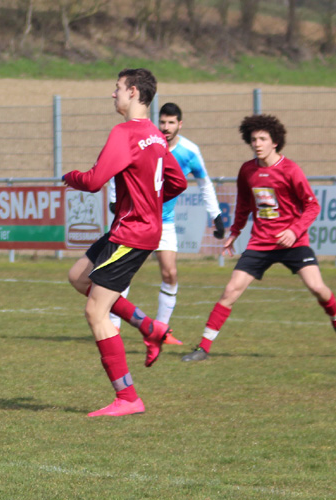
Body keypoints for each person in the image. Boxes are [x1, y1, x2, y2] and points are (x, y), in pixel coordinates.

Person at [63, 68, 187, 417]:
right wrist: (143, 200)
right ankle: (150, 328)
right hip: (133, 227)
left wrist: (68, 176)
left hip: (132, 232)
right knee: (79, 278)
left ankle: (128, 397)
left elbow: (92, 181)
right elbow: (177, 183)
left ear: (133, 92)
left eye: (116, 88)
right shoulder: (154, 135)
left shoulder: (125, 133)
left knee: (95, 312)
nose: (112, 94)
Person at [182, 115, 336, 361]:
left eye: (263, 139)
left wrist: (294, 231)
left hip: (292, 243)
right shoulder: (247, 170)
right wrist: (235, 232)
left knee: (318, 288)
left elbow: (312, 206)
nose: (257, 143)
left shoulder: (291, 170)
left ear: (275, 142)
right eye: (254, 139)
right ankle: (203, 348)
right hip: (260, 243)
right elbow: (244, 204)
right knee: (231, 290)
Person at [109, 103, 225, 345]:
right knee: (122, 274)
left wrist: (216, 215)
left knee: (170, 273)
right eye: (163, 122)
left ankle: (159, 332)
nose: (166, 127)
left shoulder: (189, 151)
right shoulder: (147, 143)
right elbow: (118, 168)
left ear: (180, 125)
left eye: (171, 122)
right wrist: (113, 200)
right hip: (136, 219)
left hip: (165, 222)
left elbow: (204, 183)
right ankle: (113, 329)